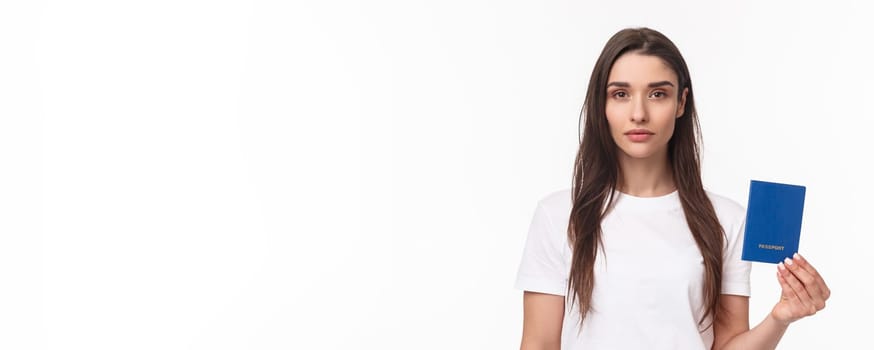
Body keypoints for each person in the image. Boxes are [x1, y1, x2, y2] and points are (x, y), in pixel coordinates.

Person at [514, 27, 830, 350]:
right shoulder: (559, 216)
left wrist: (780, 318)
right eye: (620, 94)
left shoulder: (726, 219)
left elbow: (726, 345)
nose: (639, 114)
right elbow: (538, 343)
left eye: (657, 94)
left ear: (681, 102)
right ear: (602, 104)